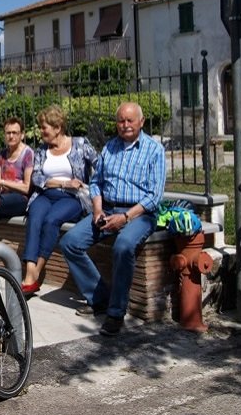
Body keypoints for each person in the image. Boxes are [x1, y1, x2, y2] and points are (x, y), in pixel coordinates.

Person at [60, 101, 165, 336]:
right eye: (121, 120)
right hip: (107, 209)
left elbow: (154, 196)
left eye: (130, 120)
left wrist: (125, 217)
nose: (125, 125)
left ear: (141, 122)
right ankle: (99, 299)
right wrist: (97, 210)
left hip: (139, 213)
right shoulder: (110, 148)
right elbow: (96, 182)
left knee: (123, 246)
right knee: (70, 242)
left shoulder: (154, 150)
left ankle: (116, 313)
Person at [20, 105, 98, 295]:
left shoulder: (80, 144)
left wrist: (90, 187)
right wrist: (62, 184)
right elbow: (37, 178)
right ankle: (30, 273)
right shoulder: (41, 150)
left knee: (51, 220)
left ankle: (36, 270)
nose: (41, 131)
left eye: (44, 127)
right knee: (35, 218)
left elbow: (100, 165)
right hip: (46, 194)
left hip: (72, 197)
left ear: (58, 127)